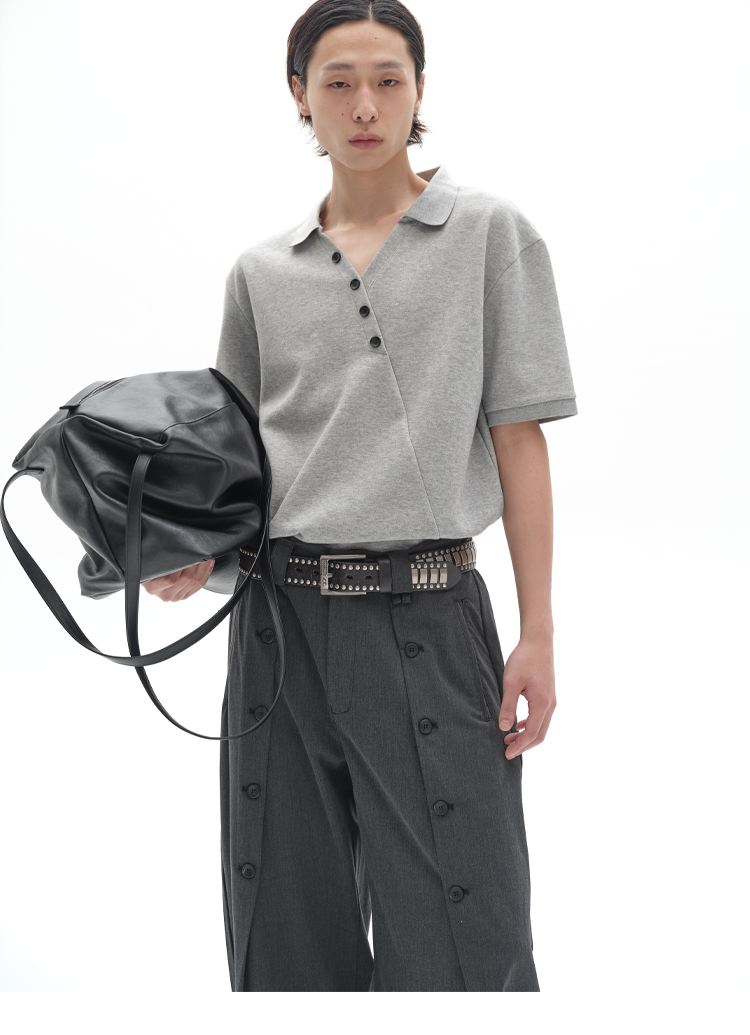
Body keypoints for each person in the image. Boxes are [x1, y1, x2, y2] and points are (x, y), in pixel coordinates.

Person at [144, 0, 577, 992]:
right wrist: (198, 552)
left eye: (388, 79)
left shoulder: (490, 235)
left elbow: (520, 441)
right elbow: (241, 465)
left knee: (467, 942)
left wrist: (539, 633)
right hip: (278, 626)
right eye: (338, 82)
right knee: (285, 937)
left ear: (421, 89)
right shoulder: (261, 273)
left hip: (429, 616)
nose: (366, 105)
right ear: (299, 94)